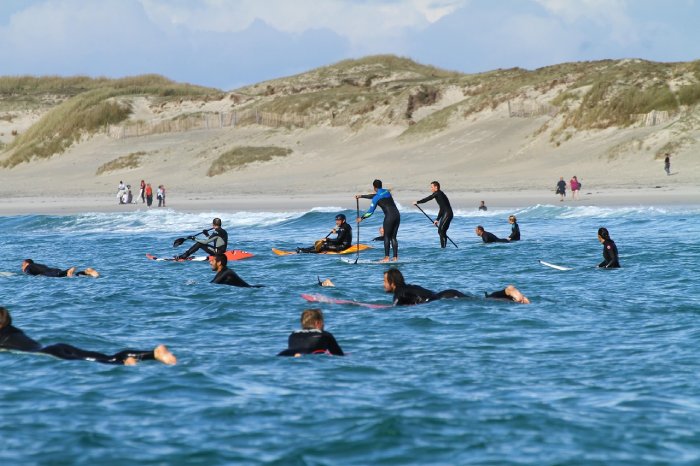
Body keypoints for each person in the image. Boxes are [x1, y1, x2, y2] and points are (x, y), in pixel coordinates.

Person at [0, 307, 176, 366]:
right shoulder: (13, 330)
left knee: (111, 361)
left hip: (51, 353)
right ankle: (151, 355)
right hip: (57, 347)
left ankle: (146, 356)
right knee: (109, 358)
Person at [356, 179, 400, 262]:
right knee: (393, 237)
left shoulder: (376, 198)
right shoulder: (386, 192)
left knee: (386, 237)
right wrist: (361, 196)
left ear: (374, 187)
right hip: (397, 215)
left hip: (389, 216)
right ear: (381, 185)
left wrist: (361, 218)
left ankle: (386, 257)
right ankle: (395, 257)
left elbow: (370, 212)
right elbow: (375, 195)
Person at [277, 309, 344, 357]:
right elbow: (338, 355)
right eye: (323, 322)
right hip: (310, 355)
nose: (324, 325)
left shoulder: (293, 334)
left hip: (288, 354)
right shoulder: (325, 335)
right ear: (317, 323)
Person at [383, 269, 466, 306]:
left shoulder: (399, 292)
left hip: (445, 298)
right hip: (448, 293)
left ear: (392, 282)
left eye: (385, 281)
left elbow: (395, 308)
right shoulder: (410, 288)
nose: (383, 284)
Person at [415, 181, 453, 248]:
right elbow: (442, 208)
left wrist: (417, 202)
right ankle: (444, 248)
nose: (431, 189)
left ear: (436, 187)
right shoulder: (439, 194)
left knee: (441, 231)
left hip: (448, 214)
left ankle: (443, 249)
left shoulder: (438, 193)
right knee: (441, 231)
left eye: (432, 187)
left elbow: (428, 198)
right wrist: (437, 219)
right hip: (446, 213)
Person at [22, 259, 99, 278]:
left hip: (49, 273)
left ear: (27, 264)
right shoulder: (39, 265)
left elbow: (29, 274)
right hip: (55, 270)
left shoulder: (29, 267)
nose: (22, 267)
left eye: (23, 265)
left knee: (64, 275)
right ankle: (86, 272)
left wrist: (26, 273)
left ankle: (70, 269)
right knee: (66, 275)